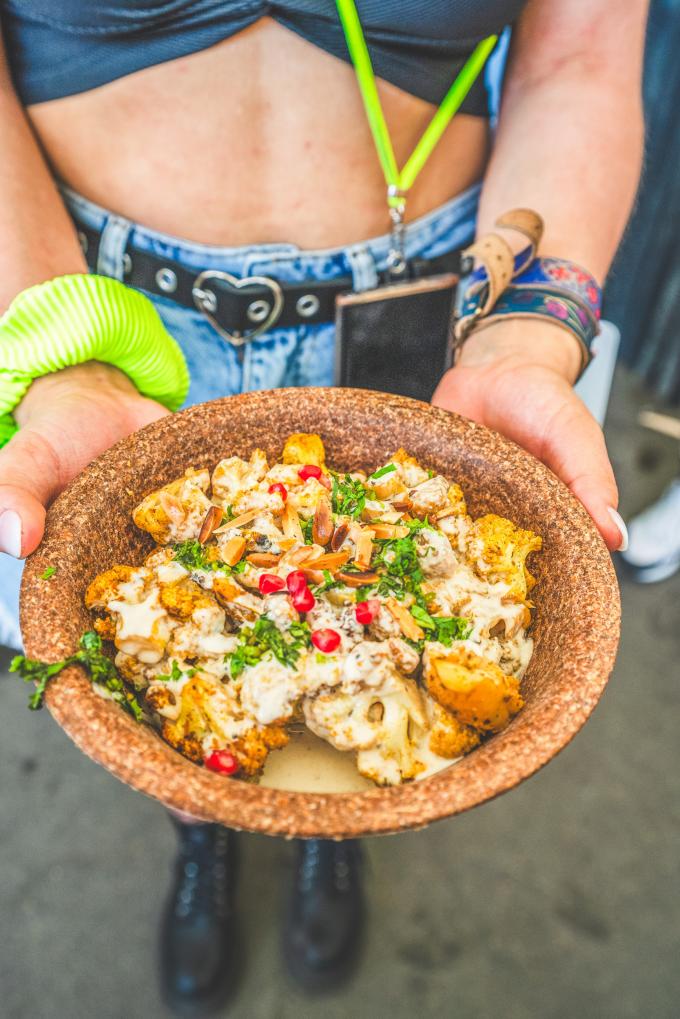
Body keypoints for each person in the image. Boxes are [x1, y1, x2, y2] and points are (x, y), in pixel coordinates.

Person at [0, 1, 648, 1014]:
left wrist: (525, 332)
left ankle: (328, 838)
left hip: (438, 303)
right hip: (94, 303)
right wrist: (55, 351)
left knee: (369, 661)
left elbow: (575, 61)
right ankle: (204, 827)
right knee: (163, 662)